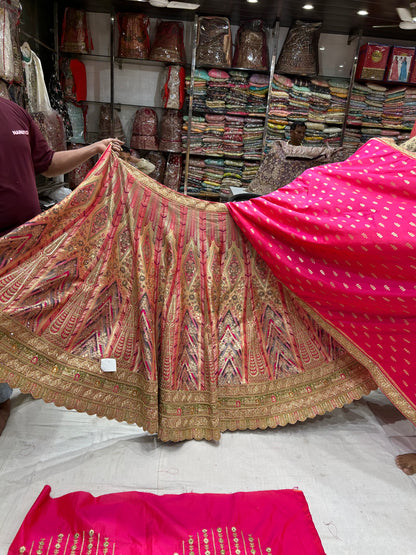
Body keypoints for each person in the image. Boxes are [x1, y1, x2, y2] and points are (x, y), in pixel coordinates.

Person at [0, 96, 123, 434]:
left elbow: (49, 162)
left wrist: (93, 149)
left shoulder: (15, 112)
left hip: (24, 240)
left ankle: (16, 381)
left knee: (23, 315)